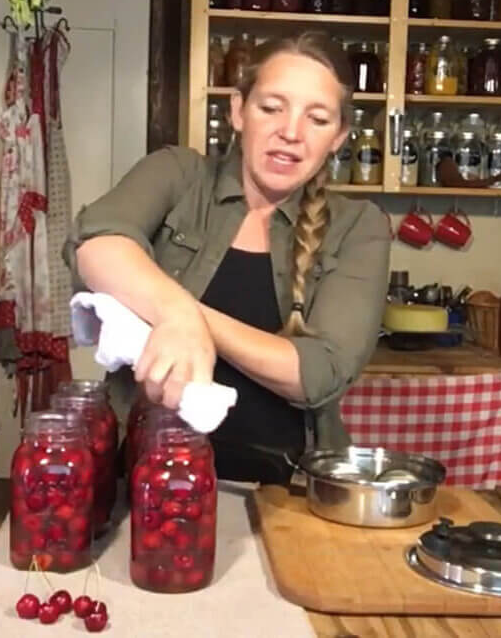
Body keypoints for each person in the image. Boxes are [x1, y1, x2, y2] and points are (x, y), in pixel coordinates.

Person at [65, 31, 389, 484]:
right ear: (238, 110)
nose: (291, 133)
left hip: (288, 492)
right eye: (272, 107)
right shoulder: (178, 175)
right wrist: (176, 314)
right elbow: (95, 242)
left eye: (317, 119)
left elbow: (319, 373)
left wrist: (190, 321)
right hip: (145, 478)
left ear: (338, 137)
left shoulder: (359, 226)